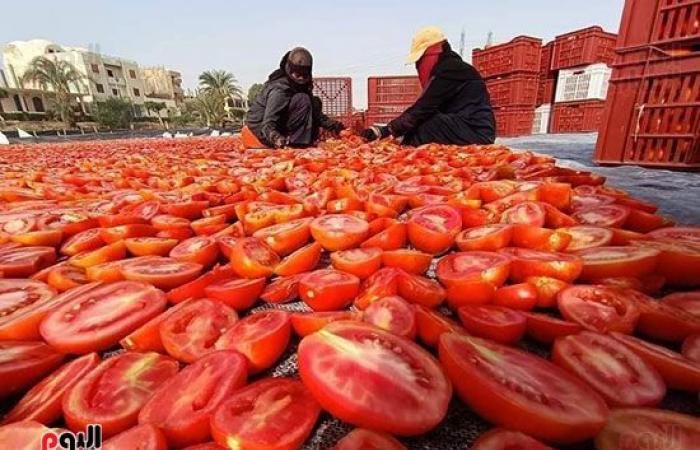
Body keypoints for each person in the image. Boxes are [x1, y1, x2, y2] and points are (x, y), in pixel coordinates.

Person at [362, 26, 495, 146]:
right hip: (467, 128)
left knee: (429, 124)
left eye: (419, 60)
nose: (418, 66)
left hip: (476, 133)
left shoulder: (451, 69)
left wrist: (386, 130)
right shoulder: (452, 67)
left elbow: (422, 109)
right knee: (422, 123)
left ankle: (403, 157)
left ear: (432, 52)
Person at [245, 47, 345, 148]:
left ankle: (300, 141)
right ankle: (297, 144)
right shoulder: (279, 90)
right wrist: (277, 139)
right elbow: (268, 123)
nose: (301, 78)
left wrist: (337, 127)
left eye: (305, 75)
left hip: (279, 125)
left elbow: (316, 115)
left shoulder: (302, 86)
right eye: (297, 75)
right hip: (262, 128)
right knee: (302, 99)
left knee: (314, 102)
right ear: (289, 70)